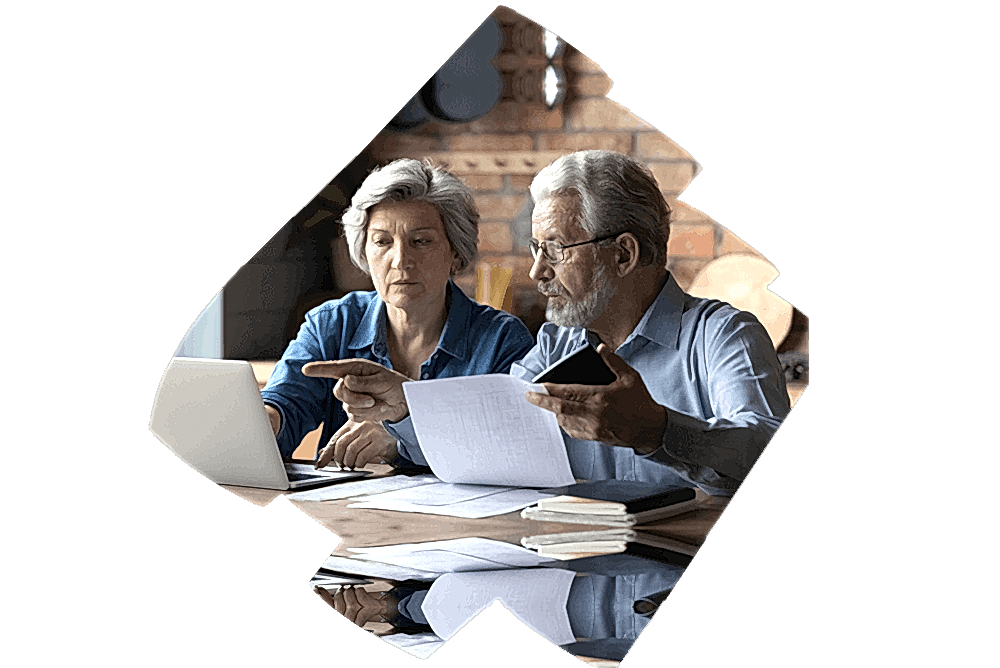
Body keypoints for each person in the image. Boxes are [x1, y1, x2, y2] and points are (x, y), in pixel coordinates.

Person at [333, 150, 789, 496]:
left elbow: (768, 451)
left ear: (623, 254)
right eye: (535, 249)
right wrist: (407, 408)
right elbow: (492, 434)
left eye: (555, 249)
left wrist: (657, 431)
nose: (537, 272)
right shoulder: (556, 345)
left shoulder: (723, 336)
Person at [260, 158, 534, 470]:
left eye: (421, 241)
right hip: (345, 514)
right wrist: (265, 422)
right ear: (364, 252)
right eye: (382, 242)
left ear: (455, 254)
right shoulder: (332, 324)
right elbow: (286, 404)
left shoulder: (501, 340)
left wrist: (402, 440)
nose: (400, 260)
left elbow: (512, 452)